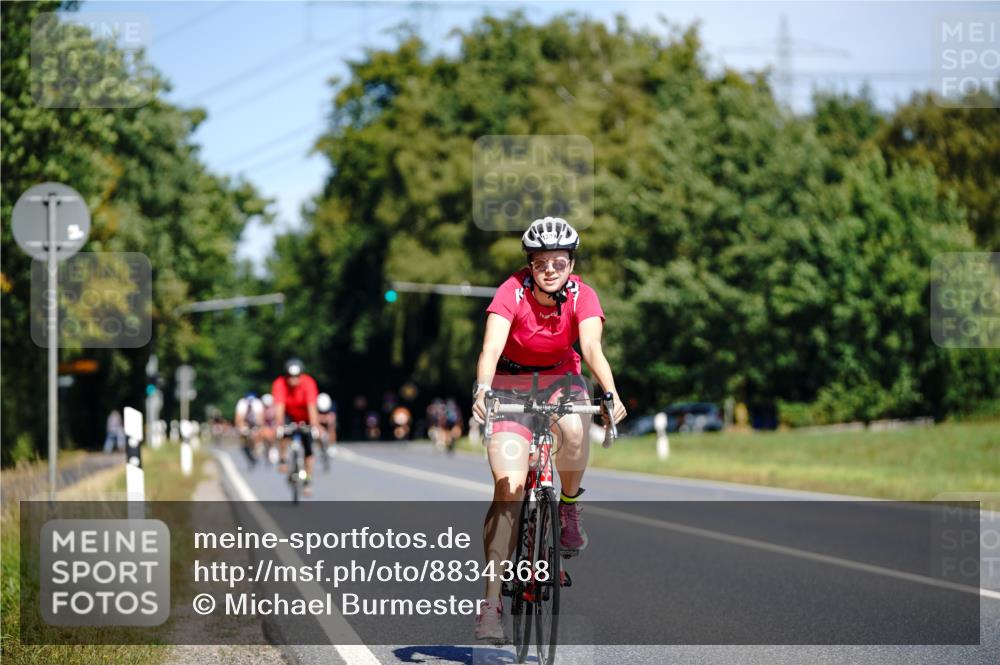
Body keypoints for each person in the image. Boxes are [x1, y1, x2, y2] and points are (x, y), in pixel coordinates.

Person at [471, 217, 627, 641]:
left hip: (562, 381)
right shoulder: (512, 291)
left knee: (576, 430)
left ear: (571, 264)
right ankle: (490, 605)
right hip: (510, 385)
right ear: (531, 265)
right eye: (541, 262)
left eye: (559, 261)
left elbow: (592, 347)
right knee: (509, 486)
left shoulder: (583, 295)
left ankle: (568, 504)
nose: (550, 269)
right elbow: (490, 347)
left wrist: (610, 393)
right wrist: (483, 389)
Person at [271, 358, 321, 496]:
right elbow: (279, 407)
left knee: (308, 451)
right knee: (282, 434)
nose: (293, 380)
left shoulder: (308, 383)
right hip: (289, 415)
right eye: (290, 376)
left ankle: (307, 481)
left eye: (296, 376)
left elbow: (312, 406)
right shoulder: (279, 383)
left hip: (305, 416)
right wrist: (280, 425)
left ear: (301, 375)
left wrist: (314, 426)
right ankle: (283, 459)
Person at [234, 392, 264, 467]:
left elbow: (260, 417)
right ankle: (248, 452)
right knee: (243, 438)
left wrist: (258, 428)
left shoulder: (257, 403)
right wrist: (242, 427)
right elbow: (238, 418)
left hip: (254, 423)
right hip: (245, 423)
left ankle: (257, 449)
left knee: (256, 436)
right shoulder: (241, 403)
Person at [317, 392, 338, 456]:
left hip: (329, 423)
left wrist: (326, 419)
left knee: (332, 427)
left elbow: (332, 418)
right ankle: (320, 447)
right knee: (316, 431)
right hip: (319, 423)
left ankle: (332, 445)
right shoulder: (315, 405)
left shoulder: (332, 405)